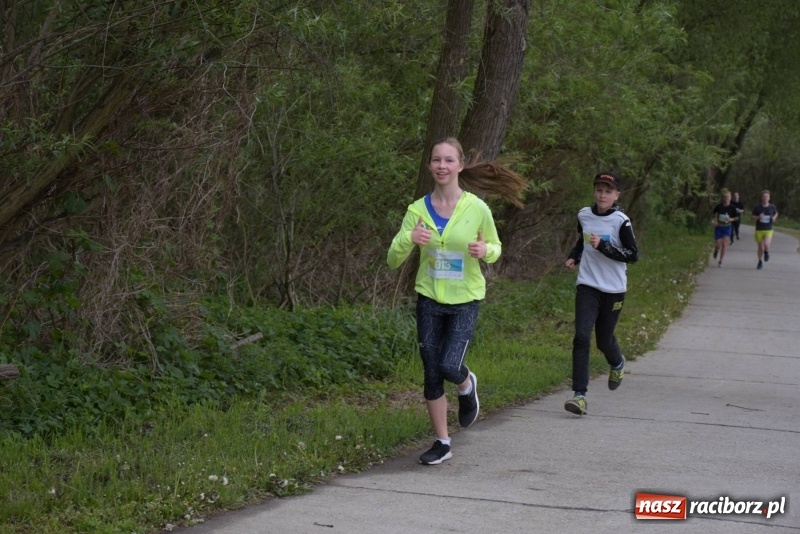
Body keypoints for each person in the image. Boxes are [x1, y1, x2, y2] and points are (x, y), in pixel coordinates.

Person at [387, 137, 526, 465]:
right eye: (436, 160)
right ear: (430, 165)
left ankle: (466, 384)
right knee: (431, 372)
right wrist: (409, 239)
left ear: (460, 166)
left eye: (448, 160)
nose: (442, 166)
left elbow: (495, 246)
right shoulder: (417, 211)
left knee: (449, 365)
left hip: (465, 299)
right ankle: (443, 442)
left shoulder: (477, 208)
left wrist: (485, 252)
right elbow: (393, 259)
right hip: (429, 298)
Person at [563, 172, 638, 416]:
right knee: (581, 337)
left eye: (608, 191)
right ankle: (579, 396)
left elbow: (632, 255)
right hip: (587, 285)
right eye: (599, 190)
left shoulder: (621, 221)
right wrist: (575, 256)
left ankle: (617, 363)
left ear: (616, 195)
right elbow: (582, 240)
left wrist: (604, 246)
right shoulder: (584, 215)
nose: (602, 195)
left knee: (603, 340)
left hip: (614, 290)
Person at [711, 190, 739, 267]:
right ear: (723, 198)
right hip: (719, 227)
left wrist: (731, 219)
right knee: (718, 244)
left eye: (728, 197)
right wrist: (714, 220)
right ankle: (716, 249)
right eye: (725, 197)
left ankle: (720, 261)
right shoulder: (719, 206)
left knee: (724, 244)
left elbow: (737, 217)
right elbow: (713, 214)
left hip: (727, 227)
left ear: (730, 199)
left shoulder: (733, 207)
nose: (726, 199)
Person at [752, 190, 779, 270]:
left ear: (769, 198)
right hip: (759, 229)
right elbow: (752, 217)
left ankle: (766, 252)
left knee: (766, 244)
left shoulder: (772, 207)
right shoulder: (757, 207)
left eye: (767, 196)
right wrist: (758, 217)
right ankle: (760, 262)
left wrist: (774, 218)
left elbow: (776, 213)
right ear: (761, 198)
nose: (765, 198)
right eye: (764, 196)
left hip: (768, 229)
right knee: (760, 248)